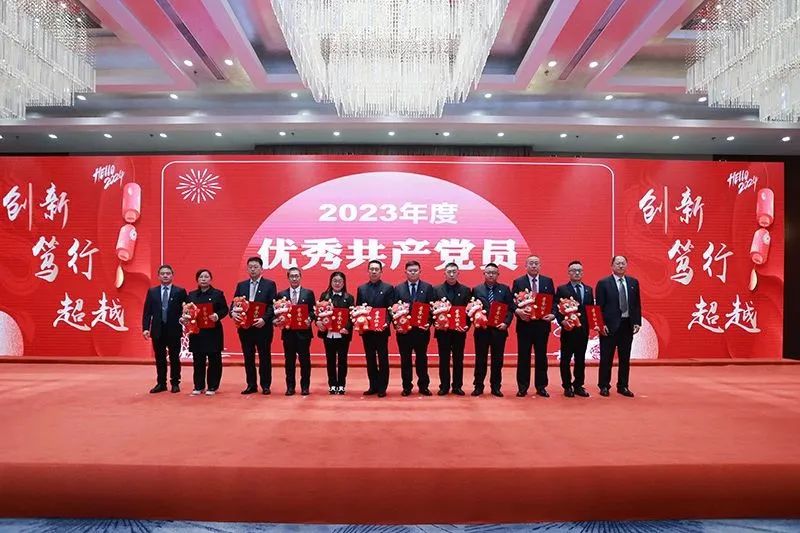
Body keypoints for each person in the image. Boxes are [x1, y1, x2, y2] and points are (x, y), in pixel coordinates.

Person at [595, 255, 642, 397]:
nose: (620, 266)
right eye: (618, 263)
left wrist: (637, 322)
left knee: (625, 358)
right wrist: (601, 325)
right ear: (612, 266)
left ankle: (623, 386)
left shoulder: (633, 282)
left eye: (623, 263)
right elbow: (598, 307)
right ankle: (604, 385)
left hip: (627, 325)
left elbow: (636, 304)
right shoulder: (603, 283)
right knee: (606, 358)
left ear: (626, 265)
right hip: (609, 326)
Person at [230, 256, 277, 395]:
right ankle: (251, 385)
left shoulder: (269, 284)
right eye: (250, 267)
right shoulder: (242, 285)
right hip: (245, 328)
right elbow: (234, 303)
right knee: (248, 356)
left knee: (264, 356)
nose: (253, 269)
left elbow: (272, 305)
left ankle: (265, 385)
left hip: (262, 327)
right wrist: (232, 313)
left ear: (261, 269)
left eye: (256, 267)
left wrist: (264, 319)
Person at [512, 255, 556, 397]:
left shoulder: (547, 281)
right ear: (526, 265)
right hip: (525, 324)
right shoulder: (518, 282)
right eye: (531, 263)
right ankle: (522, 387)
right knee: (523, 356)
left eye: (536, 263)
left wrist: (553, 315)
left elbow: (554, 302)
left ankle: (541, 386)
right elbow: (512, 302)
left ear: (540, 266)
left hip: (542, 325)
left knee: (541, 356)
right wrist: (518, 311)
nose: (534, 266)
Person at [142, 264, 187, 393]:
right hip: (157, 330)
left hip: (174, 329)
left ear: (172, 275)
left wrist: (186, 320)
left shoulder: (180, 291)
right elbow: (147, 312)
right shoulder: (152, 292)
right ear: (158, 276)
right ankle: (161, 383)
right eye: (162, 274)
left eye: (168, 273)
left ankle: (175, 383)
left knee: (174, 357)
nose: (165, 276)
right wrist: (146, 328)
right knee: (160, 358)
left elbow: (186, 310)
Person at [471, 263, 514, 397]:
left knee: (497, 360)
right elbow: (472, 308)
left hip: (499, 330)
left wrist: (506, 323)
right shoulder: (477, 290)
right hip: (482, 330)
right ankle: (478, 386)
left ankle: (496, 387)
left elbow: (510, 309)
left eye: (494, 273)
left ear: (498, 274)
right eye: (488, 272)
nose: (491, 275)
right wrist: (476, 321)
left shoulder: (505, 289)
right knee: (480, 359)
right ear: (484, 274)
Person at [394, 260, 435, 396]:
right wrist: (397, 325)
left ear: (420, 271)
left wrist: (429, 322)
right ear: (405, 272)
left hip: (421, 331)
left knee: (422, 358)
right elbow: (393, 309)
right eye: (410, 270)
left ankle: (423, 386)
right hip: (404, 331)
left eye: (415, 270)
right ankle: (407, 387)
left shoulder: (428, 288)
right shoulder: (398, 288)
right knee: (405, 359)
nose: (413, 273)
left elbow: (432, 308)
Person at [185, 269, 228, 396]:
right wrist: (185, 318)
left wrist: (217, 315)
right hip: (197, 332)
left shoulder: (217, 294)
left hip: (213, 331)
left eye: (206, 276)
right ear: (197, 280)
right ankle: (198, 386)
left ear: (210, 279)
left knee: (214, 360)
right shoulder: (191, 295)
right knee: (198, 360)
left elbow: (224, 309)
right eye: (201, 277)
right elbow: (187, 311)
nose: (203, 279)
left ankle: (212, 386)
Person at [356, 259, 395, 398]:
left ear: (381, 272)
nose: (374, 271)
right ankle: (373, 385)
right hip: (367, 330)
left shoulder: (388, 288)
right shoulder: (361, 289)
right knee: (370, 358)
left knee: (383, 358)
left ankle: (382, 387)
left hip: (381, 330)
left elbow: (390, 309)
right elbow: (358, 309)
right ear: (368, 271)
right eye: (371, 269)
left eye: (376, 269)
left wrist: (386, 323)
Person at [555, 260, 593, 398]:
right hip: (568, 330)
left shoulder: (588, 289)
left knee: (580, 359)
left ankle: (578, 385)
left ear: (582, 272)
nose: (577, 273)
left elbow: (591, 310)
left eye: (579, 270)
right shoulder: (562, 289)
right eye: (573, 270)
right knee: (565, 359)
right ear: (569, 273)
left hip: (583, 330)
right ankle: (567, 386)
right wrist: (562, 322)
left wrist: (595, 324)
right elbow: (557, 308)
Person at [275, 267, 316, 395]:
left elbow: (313, 311)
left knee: (305, 362)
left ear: (300, 277)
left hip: (304, 333)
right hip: (288, 333)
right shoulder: (281, 294)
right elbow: (277, 312)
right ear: (288, 278)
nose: (294, 278)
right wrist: (277, 320)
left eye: (296, 276)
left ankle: (305, 387)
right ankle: (290, 387)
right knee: (289, 361)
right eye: (292, 276)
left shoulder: (308, 293)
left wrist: (310, 318)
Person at [433, 262, 471, 396]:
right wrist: (435, 323)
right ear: (444, 273)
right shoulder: (436, 290)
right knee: (443, 359)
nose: (451, 274)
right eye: (449, 272)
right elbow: (432, 309)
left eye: (454, 271)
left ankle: (457, 386)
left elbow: (469, 311)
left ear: (458, 273)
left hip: (459, 331)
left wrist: (466, 326)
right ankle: (444, 386)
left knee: (458, 359)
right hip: (443, 331)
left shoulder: (466, 290)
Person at [317, 271, 354, 395]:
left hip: (343, 335)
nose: (337, 283)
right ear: (331, 282)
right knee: (330, 360)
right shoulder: (325, 296)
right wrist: (319, 322)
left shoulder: (349, 298)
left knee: (342, 361)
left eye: (340, 281)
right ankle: (332, 385)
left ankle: (341, 385)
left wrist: (347, 328)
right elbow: (319, 313)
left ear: (344, 283)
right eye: (335, 281)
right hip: (328, 334)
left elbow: (352, 316)